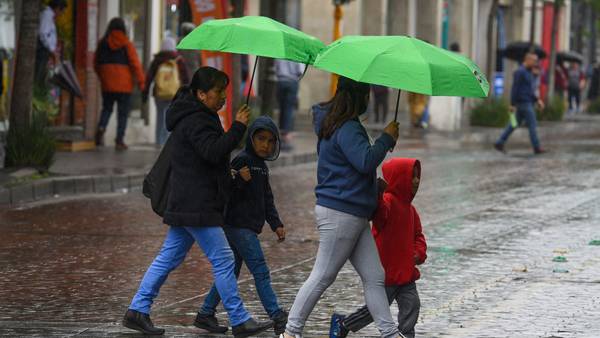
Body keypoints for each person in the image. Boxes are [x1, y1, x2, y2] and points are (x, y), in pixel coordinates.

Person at [123, 67, 273, 337]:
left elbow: (204, 158)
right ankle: (239, 319)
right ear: (201, 94)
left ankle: (137, 310)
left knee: (168, 256)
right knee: (225, 259)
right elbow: (212, 151)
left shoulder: (199, 115)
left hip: (189, 201)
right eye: (218, 92)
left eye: (225, 92)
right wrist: (238, 126)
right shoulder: (197, 119)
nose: (223, 98)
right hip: (197, 203)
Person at [281, 77, 401, 338]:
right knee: (323, 275)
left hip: (353, 212)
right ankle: (290, 332)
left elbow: (348, 169)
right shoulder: (346, 128)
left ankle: (390, 333)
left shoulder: (341, 125)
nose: (369, 101)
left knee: (374, 275)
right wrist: (386, 139)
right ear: (358, 97)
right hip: (342, 212)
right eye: (367, 95)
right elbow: (365, 161)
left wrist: (372, 188)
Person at [196, 116, 288, 335]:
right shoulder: (241, 160)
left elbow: (267, 198)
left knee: (230, 272)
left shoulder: (262, 167)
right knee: (260, 271)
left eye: (270, 141)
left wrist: (276, 223)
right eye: (261, 139)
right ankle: (276, 314)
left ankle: (205, 313)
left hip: (247, 227)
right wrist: (238, 180)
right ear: (251, 139)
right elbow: (224, 191)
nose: (265, 145)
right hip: (237, 226)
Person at [329, 158, 427, 338]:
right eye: (411, 176)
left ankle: (406, 334)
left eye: (417, 176)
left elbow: (418, 236)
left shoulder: (410, 209)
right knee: (374, 311)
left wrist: (418, 253)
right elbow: (380, 217)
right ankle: (343, 323)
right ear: (398, 178)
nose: (416, 180)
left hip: (406, 273)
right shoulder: (388, 201)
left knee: (412, 305)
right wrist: (379, 195)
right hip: (386, 271)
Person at [94, 18, 145, 150]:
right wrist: (141, 82)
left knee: (106, 108)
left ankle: (101, 127)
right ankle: (119, 140)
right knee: (122, 114)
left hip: (107, 84)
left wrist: (103, 76)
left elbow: (96, 63)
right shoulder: (127, 44)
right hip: (124, 85)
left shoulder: (102, 43)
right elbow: (135, 64)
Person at [494, 52, 546, 155]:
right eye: (534, 61)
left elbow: (530, 90)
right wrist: (512, 104)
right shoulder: (520, 72)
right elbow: (515, 88)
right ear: (527, 60)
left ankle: (500, 142)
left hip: (527, 102)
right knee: (532, 125)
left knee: (513, 124)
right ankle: (536, 147)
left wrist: (537, 100)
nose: (535, 63)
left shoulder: (529, 73)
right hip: (524, 103)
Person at [142, 37, 189, 146]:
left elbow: (149, 78)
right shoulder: (178, 59)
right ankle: (167, 143)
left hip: (159, 93)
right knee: (170, 117)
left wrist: (145, 93)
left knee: (160, 117)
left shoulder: (157, 60)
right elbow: (186, 78)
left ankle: (159, 141)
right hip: (174, 94)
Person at [275, 59, 304, 151]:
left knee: (282, 108)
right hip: (292, 81)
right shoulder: (296, 54)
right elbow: (300, 70)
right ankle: (286, 135)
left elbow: (276, 67)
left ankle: (281, 131)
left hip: (280, 81)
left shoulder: (280, 53)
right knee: (289, 108)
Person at [35, 0, 67, 85]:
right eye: (61, 11)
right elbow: (43, 33)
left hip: (46, 50)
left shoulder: (50, 16)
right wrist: (52, 50)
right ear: (57, 8)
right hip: (42, 49)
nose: (61, 15)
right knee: (38, 75)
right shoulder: (47, 15)